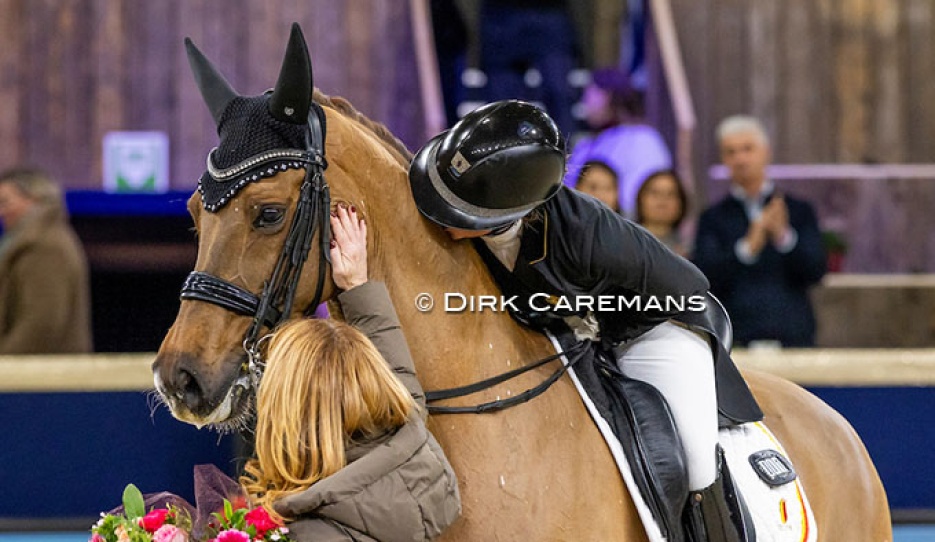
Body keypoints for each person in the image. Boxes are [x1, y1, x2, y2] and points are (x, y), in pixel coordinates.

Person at [409, 100, 754, 541]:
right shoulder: (478, 231)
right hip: (573, 331)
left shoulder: (587, 235)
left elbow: (689, 287)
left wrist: (591, 317)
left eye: (458, 208)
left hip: (655, 326)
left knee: (695, 460)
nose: (439, 216)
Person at [240, 205, 462, 541]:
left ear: (286, 414)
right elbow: (404, 393)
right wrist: (357, 286)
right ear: (377, 384)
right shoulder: (409, 452)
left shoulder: (309, 533)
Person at [693, 116, 826, 347]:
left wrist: (784, 236)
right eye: (731, 152)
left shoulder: (798, 210)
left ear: (766, 152)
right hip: (735, 337)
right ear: (723, 159)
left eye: (748, 149)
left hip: (792, 335)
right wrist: (746, 248)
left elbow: (816, 270)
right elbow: (705, 277)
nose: (740, 159)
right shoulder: (712, 218)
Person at [0, 167, 92, 354]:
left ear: (35, 199)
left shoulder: (45, 246)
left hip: (43, 370)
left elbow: (41, 323)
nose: (2, 212)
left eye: (5, 202)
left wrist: (6, 362)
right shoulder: (39, 240)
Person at [563, 68, 672, 217]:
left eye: (590, 94)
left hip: (623, 223)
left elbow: (642, 195)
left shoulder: (642, 139)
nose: (585, 102)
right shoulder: (585, 144)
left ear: (608, 96)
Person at [479, 0, 579, 135]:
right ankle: (506, 147)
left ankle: (563, 145)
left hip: (549, 13)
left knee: (558, 93)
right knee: (502, 103)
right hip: (501, 17)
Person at [635, 169, 690, 257]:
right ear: (640, 199)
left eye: (670, 194)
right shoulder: (624, 244)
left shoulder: (691, 250)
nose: (662, 201)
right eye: (655, 193)